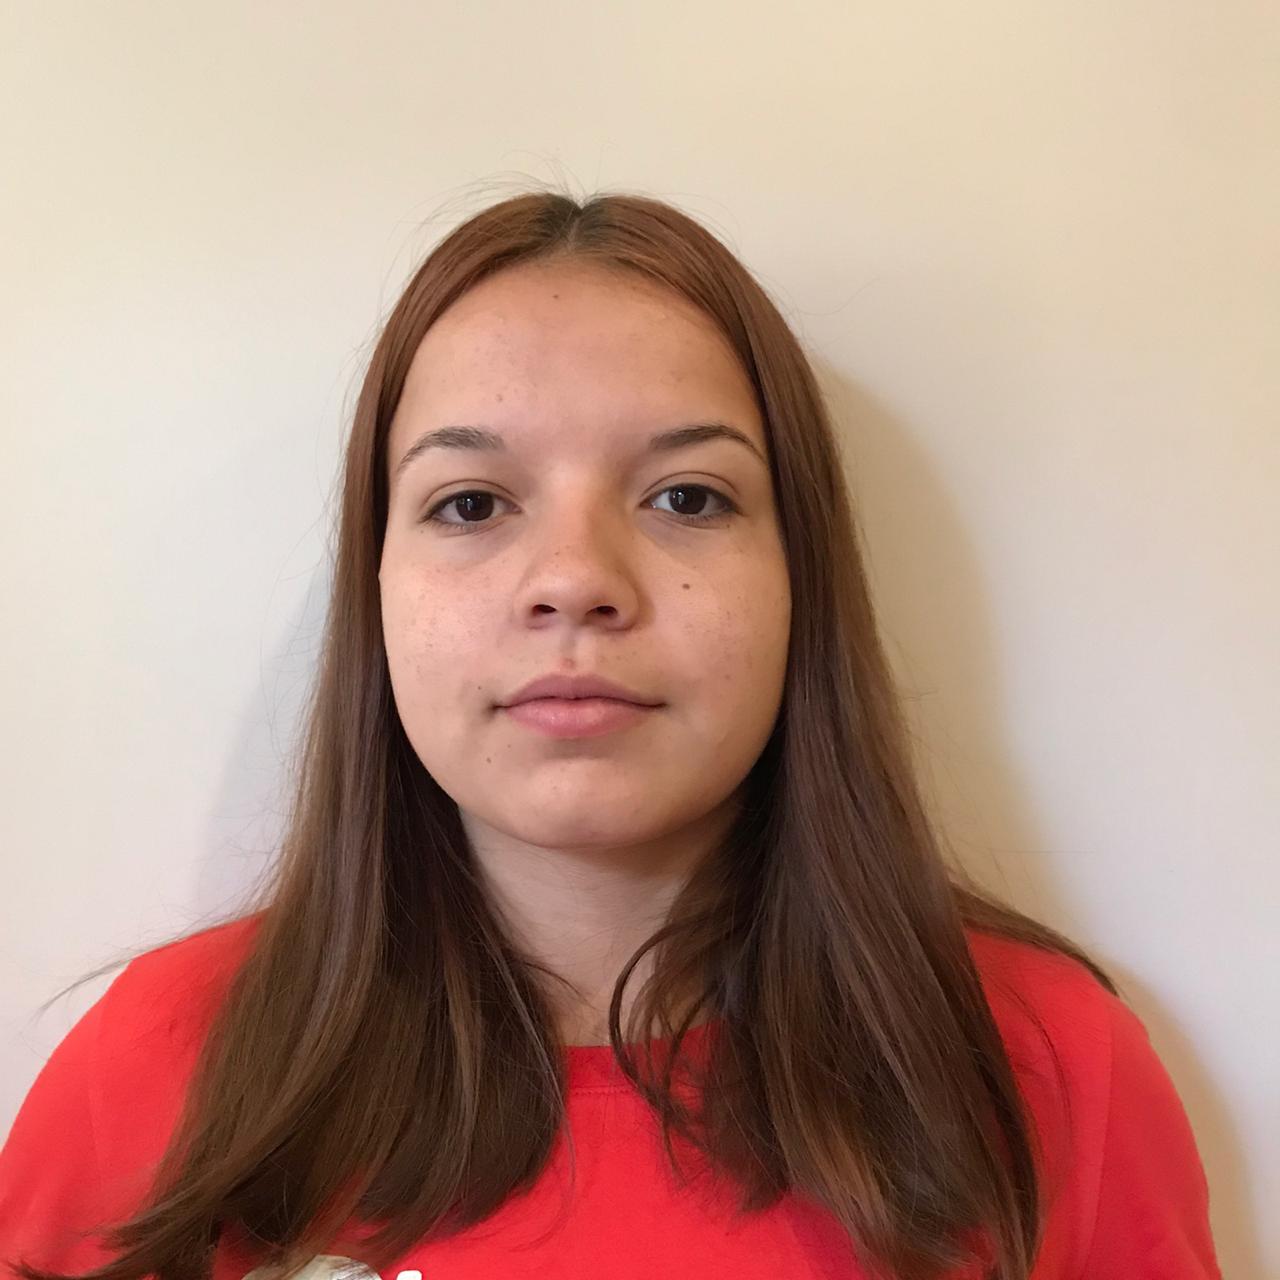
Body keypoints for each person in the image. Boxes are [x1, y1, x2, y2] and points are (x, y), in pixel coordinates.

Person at [0, 189, 1222, 1280]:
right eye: (469, 502)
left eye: (686, 496)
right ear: (376, 588)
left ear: (800, 581)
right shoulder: (156, 1066)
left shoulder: (1050, 1070)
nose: (575, 579)